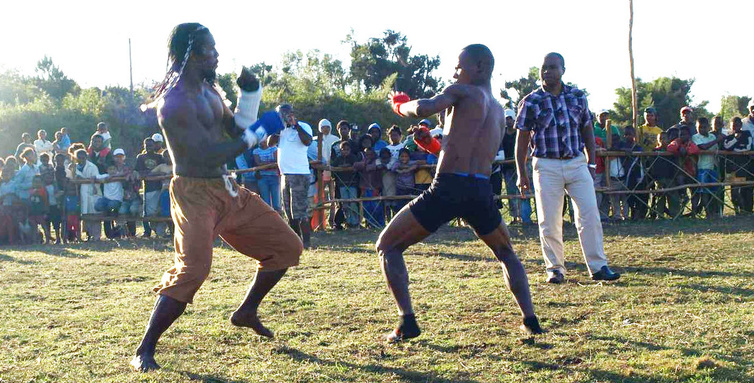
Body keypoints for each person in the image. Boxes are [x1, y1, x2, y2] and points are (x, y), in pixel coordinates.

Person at [130, 23, 302, 372]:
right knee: (194, 269)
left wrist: (250, 97)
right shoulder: (174, 103)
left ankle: (247, 310)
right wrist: (259, 131)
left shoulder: (210, 91)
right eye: (210, 49)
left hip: (227, 189)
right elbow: (210, 154)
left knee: (288, 247)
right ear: (192, 53)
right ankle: (144, 349)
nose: (217, 55)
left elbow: (235, 131)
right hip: (194, 194)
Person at [379, 44, 542, 342]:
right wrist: (430, 145)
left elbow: (425, 107)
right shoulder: (495, 109)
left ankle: (407, 321)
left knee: (387, 245)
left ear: (479, 67)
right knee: (506, 253)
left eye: (458, 66)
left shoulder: (462, 92)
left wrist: (400, 105)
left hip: (448, 187)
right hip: (479, 188)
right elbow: (462, 150)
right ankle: (530, 319)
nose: (454, 72)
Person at [515, 52, 621, 284]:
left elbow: (587, 130)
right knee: (549, 220)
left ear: (563, 69)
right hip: (546, 164)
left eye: (552, 67)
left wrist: (591, 161)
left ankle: (598, 266)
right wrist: (521, 172)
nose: (547, 72)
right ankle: (555, 269)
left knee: (590, 214)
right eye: (544, 68)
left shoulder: (577, 96)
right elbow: (521, 138)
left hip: (576, 162)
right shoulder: (531, 100)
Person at [273, 103, 313, 249]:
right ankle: (295, 241)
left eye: (285, 113)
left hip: (299, 174)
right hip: (285, 174)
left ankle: (307, 242)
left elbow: (307, 141)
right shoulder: (280, 130)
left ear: (292, 113)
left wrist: (295, 125)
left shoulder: (303, 126)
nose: (283, 116)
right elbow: (269, 143)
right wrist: (277, 129)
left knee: (300, 211)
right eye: (280, 114)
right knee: (288, 211)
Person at [691, 118, 723, 218]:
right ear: (696, 127)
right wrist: (717, 140)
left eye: (704, 127)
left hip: (713, 167)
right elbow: (703, 147)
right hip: (702, 167)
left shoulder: (712, 136)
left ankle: (715, 212)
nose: (702, 129)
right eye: (700, 127)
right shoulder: (695, 137)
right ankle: (707, 212)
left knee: (714, 190)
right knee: (704, 191)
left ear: (708, 127)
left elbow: (717, 150)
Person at [135, 138, 165, 238]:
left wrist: (152, 173)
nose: (149, 148)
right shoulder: (141, 157)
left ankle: (159, 231)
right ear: (144, 146)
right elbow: (138, 171)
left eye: (151, 145)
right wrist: (147, 174)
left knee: (158, 210)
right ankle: (147, 231)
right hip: (147, 187)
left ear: (155, 145)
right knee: (146, 211)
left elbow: (162, 170)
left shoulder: (159, 157)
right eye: (147, 146)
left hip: (159, 187)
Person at [723, 117, 753, 214]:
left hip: (745, 166)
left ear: (741, 125)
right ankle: (737, 211)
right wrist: (736, 139)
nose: (736, 127)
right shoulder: (728, 136)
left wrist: (735, 150)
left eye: (738, 125)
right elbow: (727, 147)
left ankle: (747, 210)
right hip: (733, 167)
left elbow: (747, 147)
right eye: (733, 125)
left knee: (746, 188)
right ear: (730, 126)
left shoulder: (747, 134)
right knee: (735, 190)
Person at [74, 148, 103, 241]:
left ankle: (97, 236)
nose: (81, 159)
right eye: (79, 158)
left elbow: (96, 178)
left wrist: (84, 180)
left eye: (83, 157)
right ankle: (89, 235)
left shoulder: (92, 166)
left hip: (93, 192)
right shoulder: (74, 167)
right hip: (82, 193)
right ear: (76, 158)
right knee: (86, 215)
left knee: (95, 214)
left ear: (86, 157)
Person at [331, 141, 360, 229]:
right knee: (345, 203)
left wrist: (348, 166)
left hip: (352, 183)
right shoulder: (338, 159)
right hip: (342, 184)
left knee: (353, 203)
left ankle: (355, 221)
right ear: (340, 150)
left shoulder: (353, 157)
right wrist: (340, 168)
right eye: (343, 150)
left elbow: (356, 166)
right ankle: (348, 221)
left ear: (350, 150)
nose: (345, 151)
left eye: (347, 150)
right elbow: (333, 167)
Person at [253, 138, 281, 211]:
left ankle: (279, 219)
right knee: (266, 203)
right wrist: (270, 165)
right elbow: (258, 163)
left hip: (274, 176)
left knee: (277, 203)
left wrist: (264, 165)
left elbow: (277, 162)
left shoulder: (274, 148)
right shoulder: (256, 151)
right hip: (263, 177)